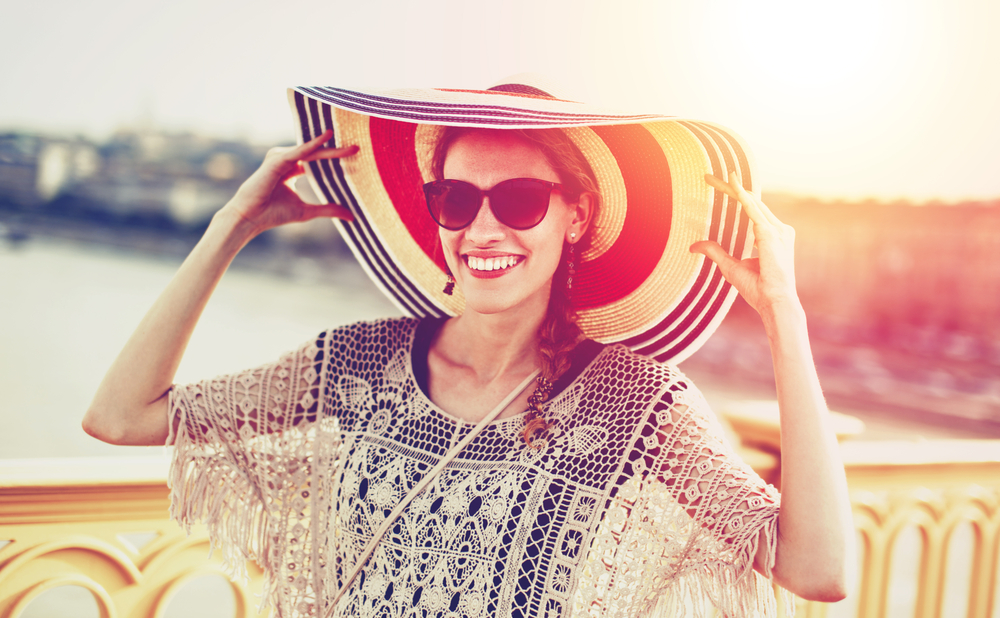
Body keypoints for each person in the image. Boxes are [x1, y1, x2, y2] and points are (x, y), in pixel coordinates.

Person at [83, 78, 853, 618]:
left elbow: (816, 569)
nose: (483, 231)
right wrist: (230, 229)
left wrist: (785, 316)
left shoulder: (637, 404)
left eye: (518, 200)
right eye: (456, 199)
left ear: (576, 217)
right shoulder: (355, 364)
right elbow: (121, 416)